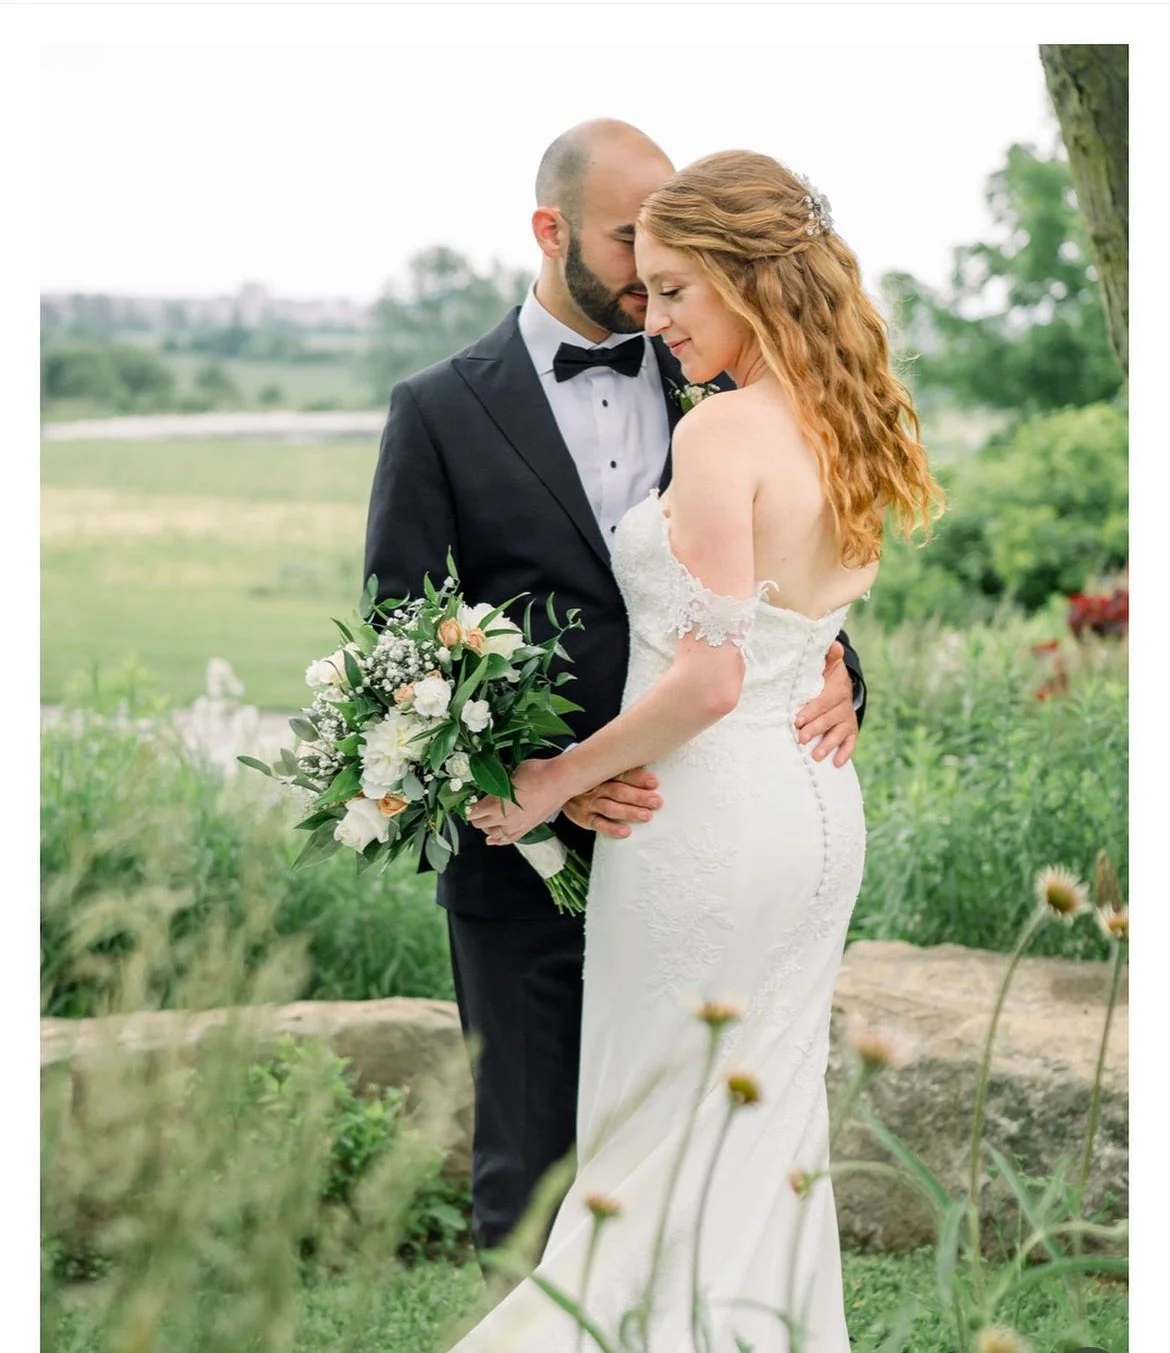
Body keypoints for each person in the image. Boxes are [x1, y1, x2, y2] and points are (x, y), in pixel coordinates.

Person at [456, 150, 942, 1351]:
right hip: (816, 816)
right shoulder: (852, 416)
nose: (654, 317)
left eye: (676, 290)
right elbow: (796, 626)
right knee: (763, 1133)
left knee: (654, 1131)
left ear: (744, 277)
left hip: (705, 825)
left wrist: (552, 782)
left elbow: (713, 676)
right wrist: (828, 666)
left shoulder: (725, 432)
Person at [362, 120, 866, 1271]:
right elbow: (403, 639)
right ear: (551, 231)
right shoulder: (437, 408)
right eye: (626, 237)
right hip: (527, 855)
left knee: (704, 1150)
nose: (650, 271)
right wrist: (541, 786)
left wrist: (839, 670)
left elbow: (788, 566)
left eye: (666, 246)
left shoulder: (716, 374)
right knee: (532, 1176)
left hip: (710, 822)